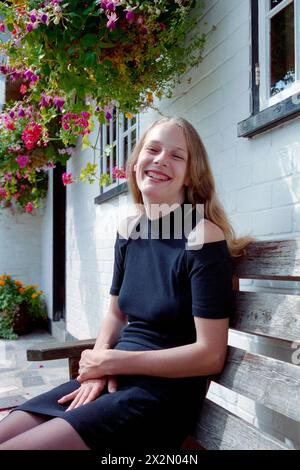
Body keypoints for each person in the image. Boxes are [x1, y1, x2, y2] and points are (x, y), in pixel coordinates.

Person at [0, 116, 253, 451]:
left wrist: (112, 362)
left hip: (160, 396)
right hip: (115, 376)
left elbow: (209, 355)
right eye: (153, 149)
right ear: (135, 163)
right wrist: (99, 364)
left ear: (191, 174)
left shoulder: (201, 236)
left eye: (177, 156)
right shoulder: (129, 230)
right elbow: (116, 314)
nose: (162, 159)